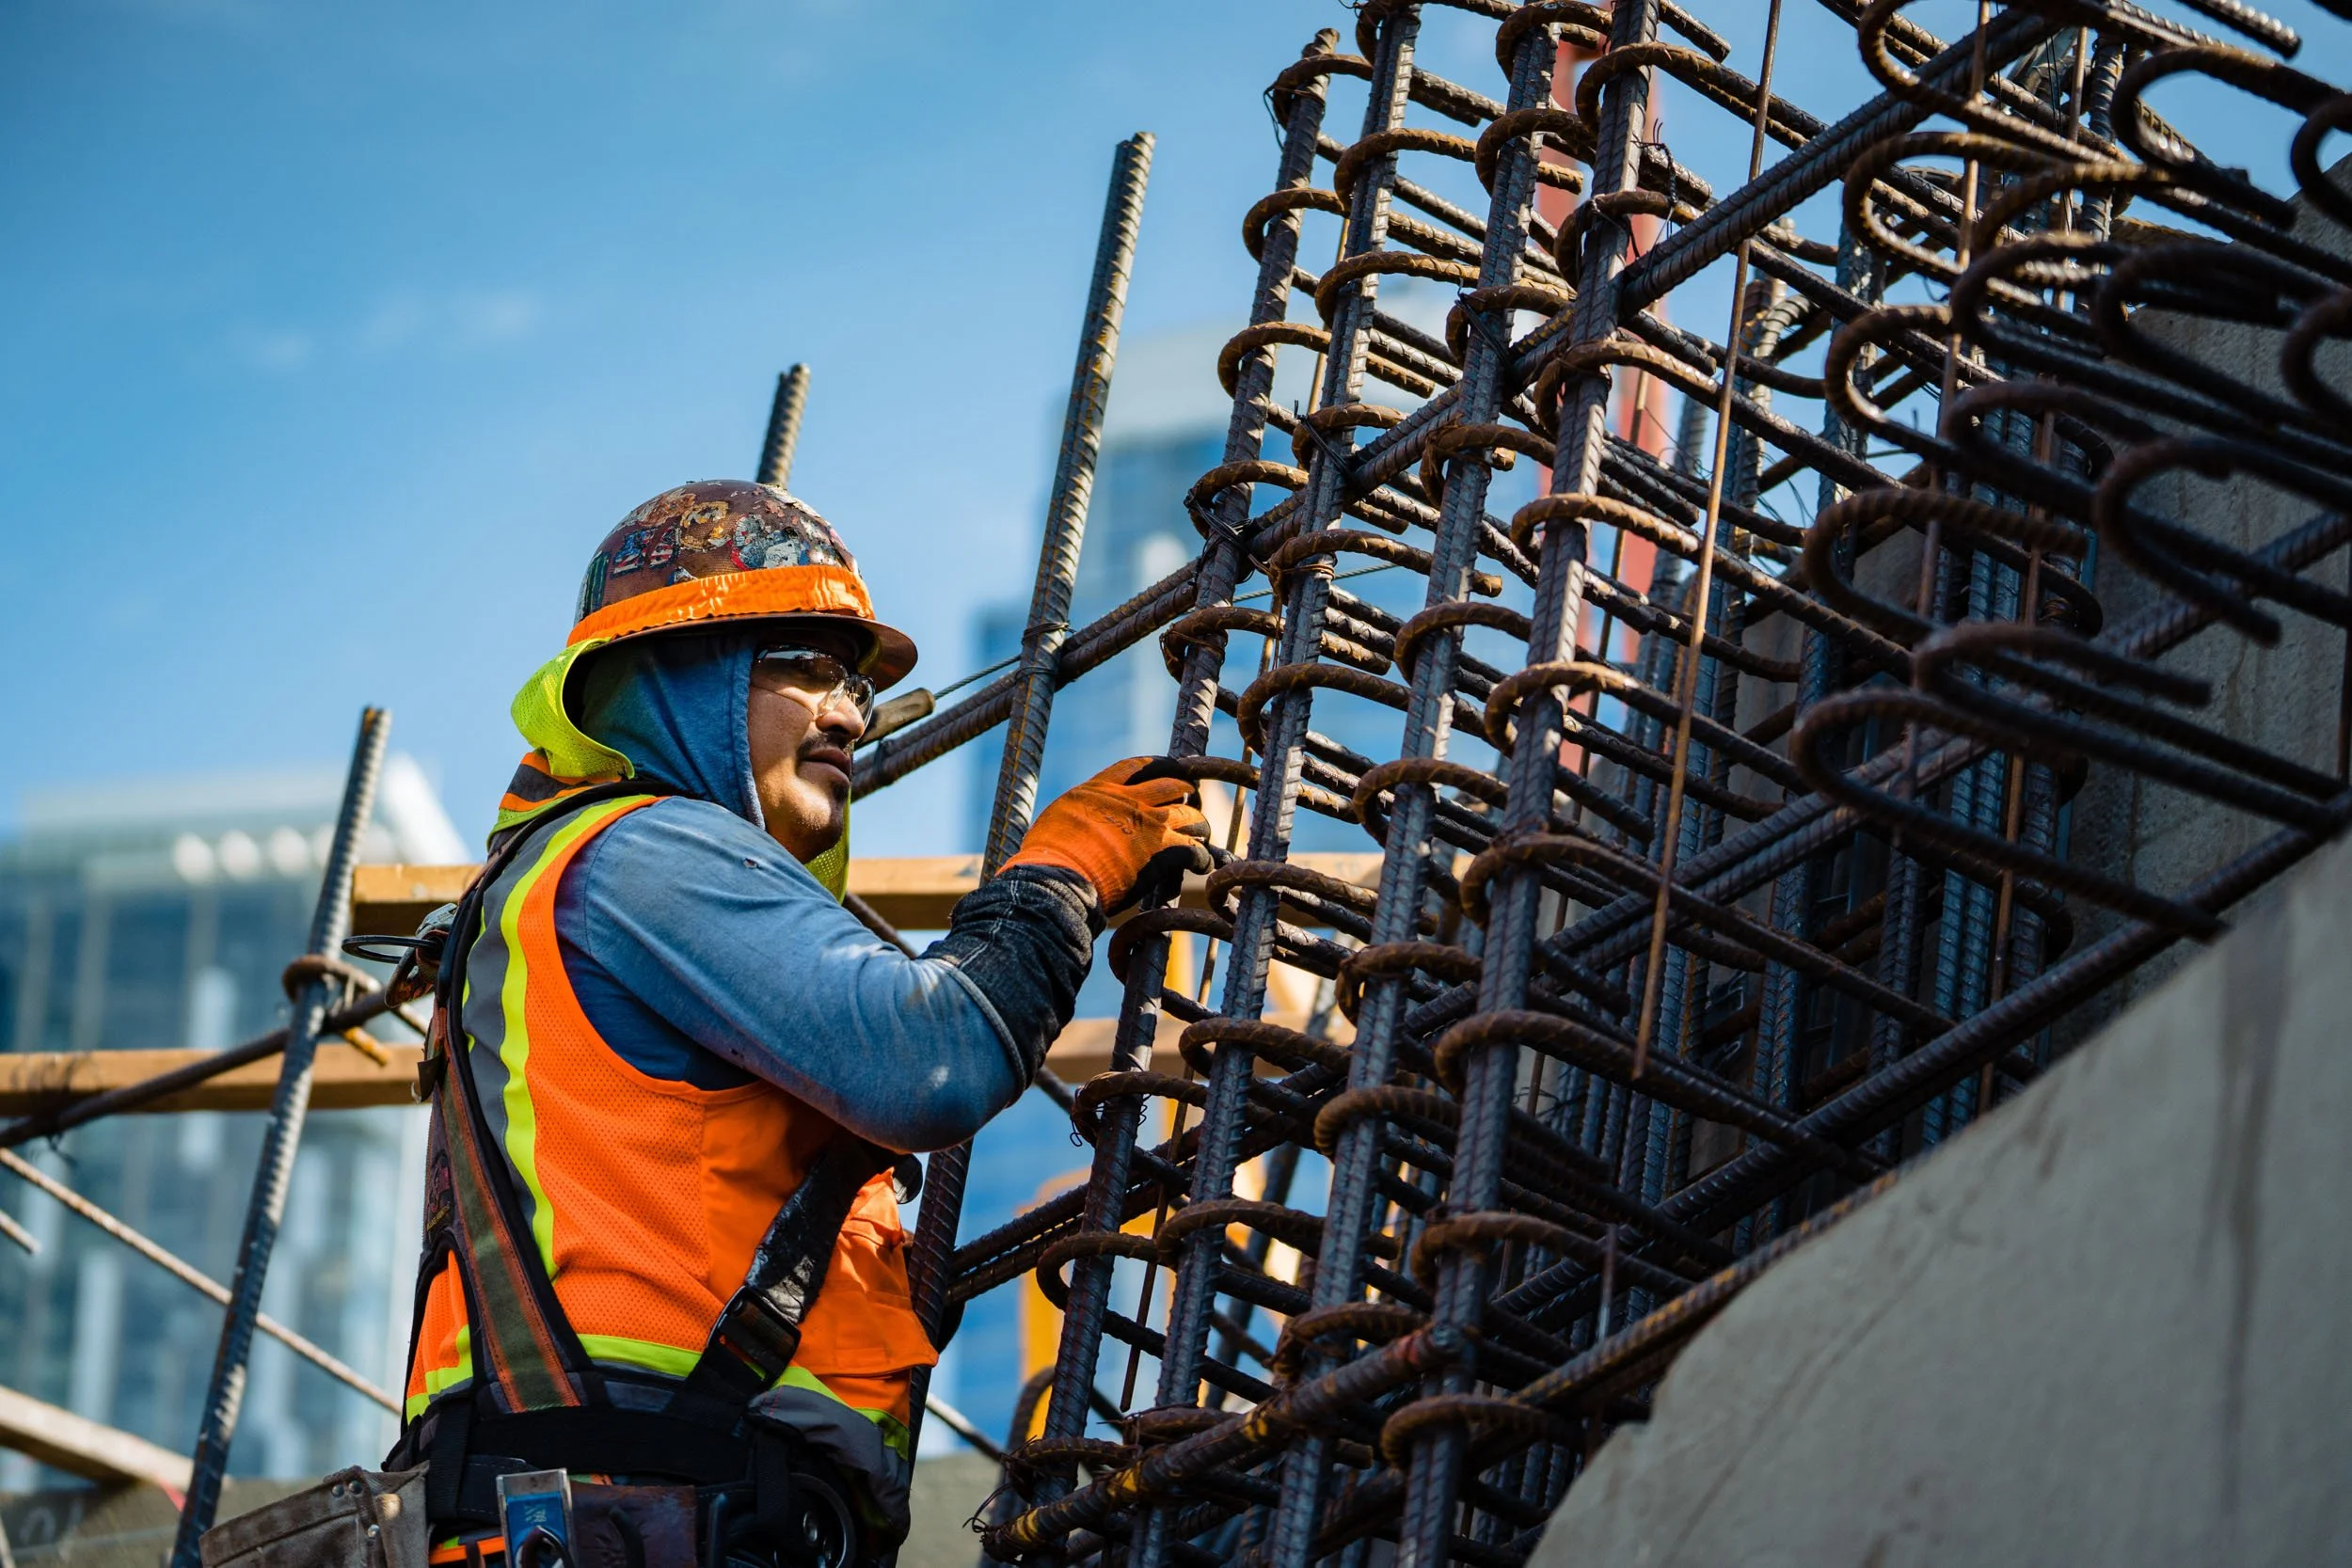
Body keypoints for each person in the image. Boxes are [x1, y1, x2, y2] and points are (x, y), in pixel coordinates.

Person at [382, 480, 1207, 1568]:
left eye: (856, 681)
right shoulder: (641, 853)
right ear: (684, 673)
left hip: (657, 1507)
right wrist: (1062, 873)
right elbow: (931, 1057)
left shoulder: (577, 882)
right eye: (809, 667)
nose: (852, 712)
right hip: (636, 1504)